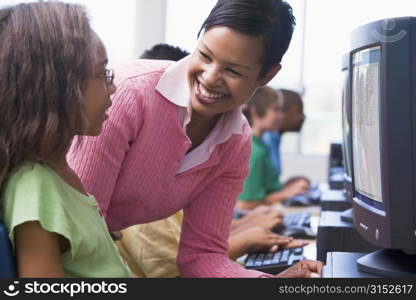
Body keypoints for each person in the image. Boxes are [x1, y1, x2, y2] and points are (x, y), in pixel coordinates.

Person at [68, 0, 323, 278]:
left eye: (233, 71)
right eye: (204, 55)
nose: (210, 78)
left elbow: (202, 257)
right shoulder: (127, 97)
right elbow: (81, 232)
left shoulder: (235, 142)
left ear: (267, 75)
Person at [116, 43, 307, 278]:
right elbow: (172, 268)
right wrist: (246, 238)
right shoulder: (142, 189)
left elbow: (200, 247)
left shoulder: (190, 166)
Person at [0, 2, 130, 278]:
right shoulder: (35, 187)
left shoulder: (59, 174)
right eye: (101, 74)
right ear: (54, 88)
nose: (113, 87)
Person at [236, 86, 309, 210]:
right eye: (276, 110)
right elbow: (244, 204)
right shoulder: (254, 151)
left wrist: (286, 187)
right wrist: (286, 193)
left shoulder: (262, 145)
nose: (281, 116)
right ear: (255, 111)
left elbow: (264, 190)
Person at [262, 88, 310, 189]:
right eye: (299, 111)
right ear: (282, 112)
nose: (302, 117)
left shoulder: (275, 138)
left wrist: (285, 186)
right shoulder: (266, 139)